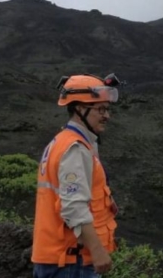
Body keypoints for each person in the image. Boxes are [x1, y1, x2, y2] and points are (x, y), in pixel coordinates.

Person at [32, 73, 123, 277]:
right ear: (80, 109)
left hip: (60, 260)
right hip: (71, 261)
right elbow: (73, 206)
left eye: (107, 109)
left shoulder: (62, 142)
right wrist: (98, 251)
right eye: (100, 109)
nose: (106, 116)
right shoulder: (74, 148)